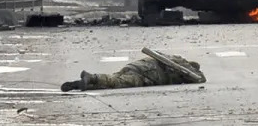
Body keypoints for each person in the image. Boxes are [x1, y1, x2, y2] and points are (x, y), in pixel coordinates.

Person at [61, 55, 205, 91]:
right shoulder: (182, 64)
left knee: (115, 80)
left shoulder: (171, 58)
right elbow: (200, 79)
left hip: (137, 67)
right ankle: (92, 77)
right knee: (117, 82)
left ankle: (84, 84)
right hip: (148, 74)